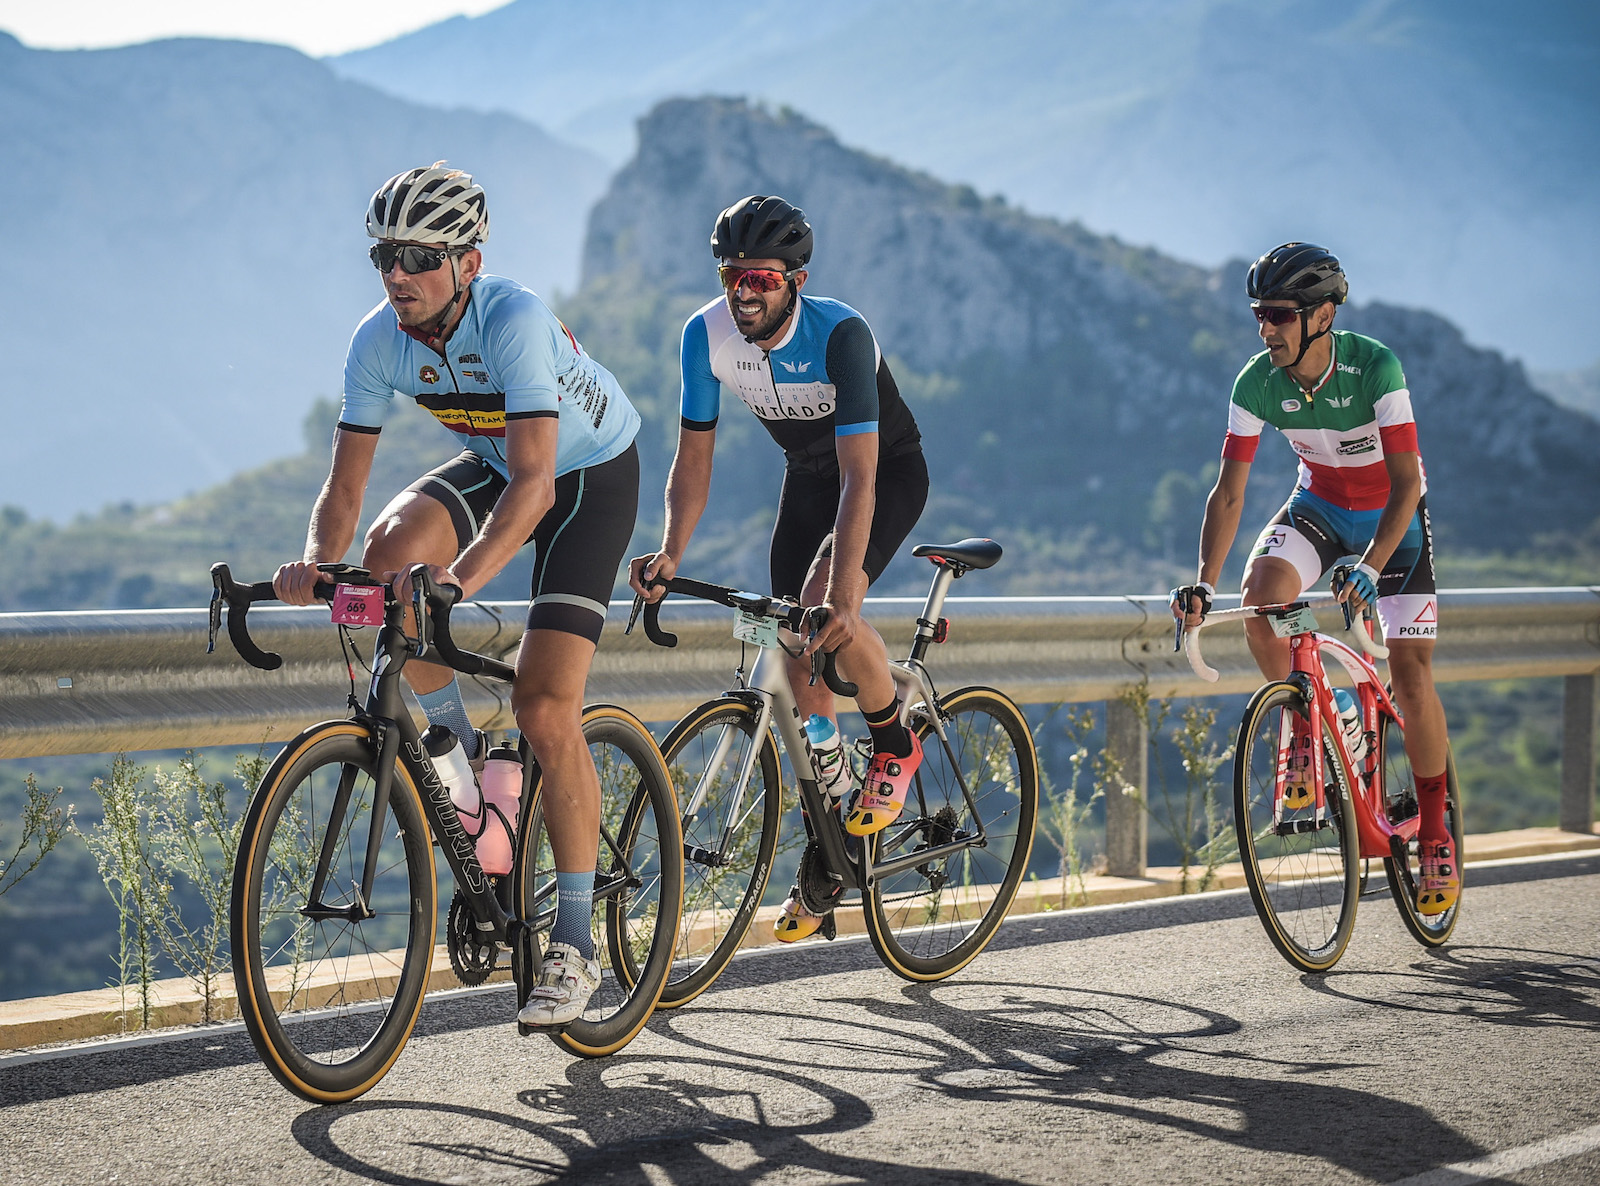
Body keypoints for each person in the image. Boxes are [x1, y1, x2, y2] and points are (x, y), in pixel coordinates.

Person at [274, 163, 642, 1024]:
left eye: (418, 256)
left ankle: (576, 945)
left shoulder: (512, 319)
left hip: (584, 479)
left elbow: (538, 484)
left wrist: (459, 580)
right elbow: (345, 486)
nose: (396, 273)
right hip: (496, 460)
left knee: (545, 707)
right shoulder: (378, 339)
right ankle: (468, 764)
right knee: (387, 560)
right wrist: (315, 563)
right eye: (384, 256)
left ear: (468, 263)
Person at [628, 194, 929, 941]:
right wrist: (670, 552)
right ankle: (835, 836)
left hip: (881, 475)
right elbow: (693, 460)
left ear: (797, 279)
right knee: (795, 652)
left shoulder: (841, 335)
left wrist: (844, 594)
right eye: (733, 276)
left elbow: (861, 475)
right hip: (806, 481)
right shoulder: (704, 336)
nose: (744, 293)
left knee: (826, 610)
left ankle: (895, 742)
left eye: (761, 278)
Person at [1171, 242, 1457, 914]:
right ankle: (1314, 721)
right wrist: (1204, 581)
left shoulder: (1375, 366)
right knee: (1261, 604)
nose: (1265, 328)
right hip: (1320, 507)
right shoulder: (1255, 381)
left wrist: (1372, 567)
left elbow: (1406, 483)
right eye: (1259, 314)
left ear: (1323, 315)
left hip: (1393, 520)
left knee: (1412, 676)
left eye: (1279, 314)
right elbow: (1229, 492)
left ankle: (1435, 831)